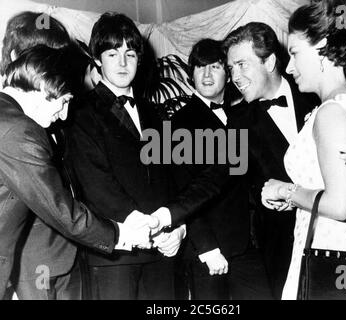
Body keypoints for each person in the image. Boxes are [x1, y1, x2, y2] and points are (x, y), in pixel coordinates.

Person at [0, 45, 151, 300]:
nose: (64, 114)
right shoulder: (18, 130)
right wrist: (121, 234)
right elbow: (59, 208)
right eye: (65, 101)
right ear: (44, 88)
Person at [261, 0, 346, 299]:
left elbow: (340, 205)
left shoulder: (331, 113)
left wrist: (285, 191)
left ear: (323, 48)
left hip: (333, 263)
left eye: (294, 53)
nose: (289, 67)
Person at [64, 12, 185, 300]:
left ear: (139, 60)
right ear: (97, 60)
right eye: (112, 53)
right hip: (115, 254)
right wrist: (144, 227)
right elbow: (95, 183)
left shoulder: (153, 112)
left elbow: (172, 176)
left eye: (130, 54)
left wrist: (176, 226)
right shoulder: (80, 113)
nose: (122, 62)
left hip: (162, 250)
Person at [167, 38, 271, 299]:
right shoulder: (180, 122)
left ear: (228, 72)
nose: (207, 74)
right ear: (191, 74)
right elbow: (183, 190)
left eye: (214, 66)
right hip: (210, 249)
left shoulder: (243, 113)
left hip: (249, 242)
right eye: (200, 67)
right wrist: (206, 247)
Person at [220, 22, 318, 299]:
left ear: (270, 61)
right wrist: (263, 196)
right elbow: (233, 184)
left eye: (242, 65)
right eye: (230, 68)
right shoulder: (236, 122)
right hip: (279, 247)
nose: (234, 77)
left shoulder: (315, 95)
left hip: (333, 232)